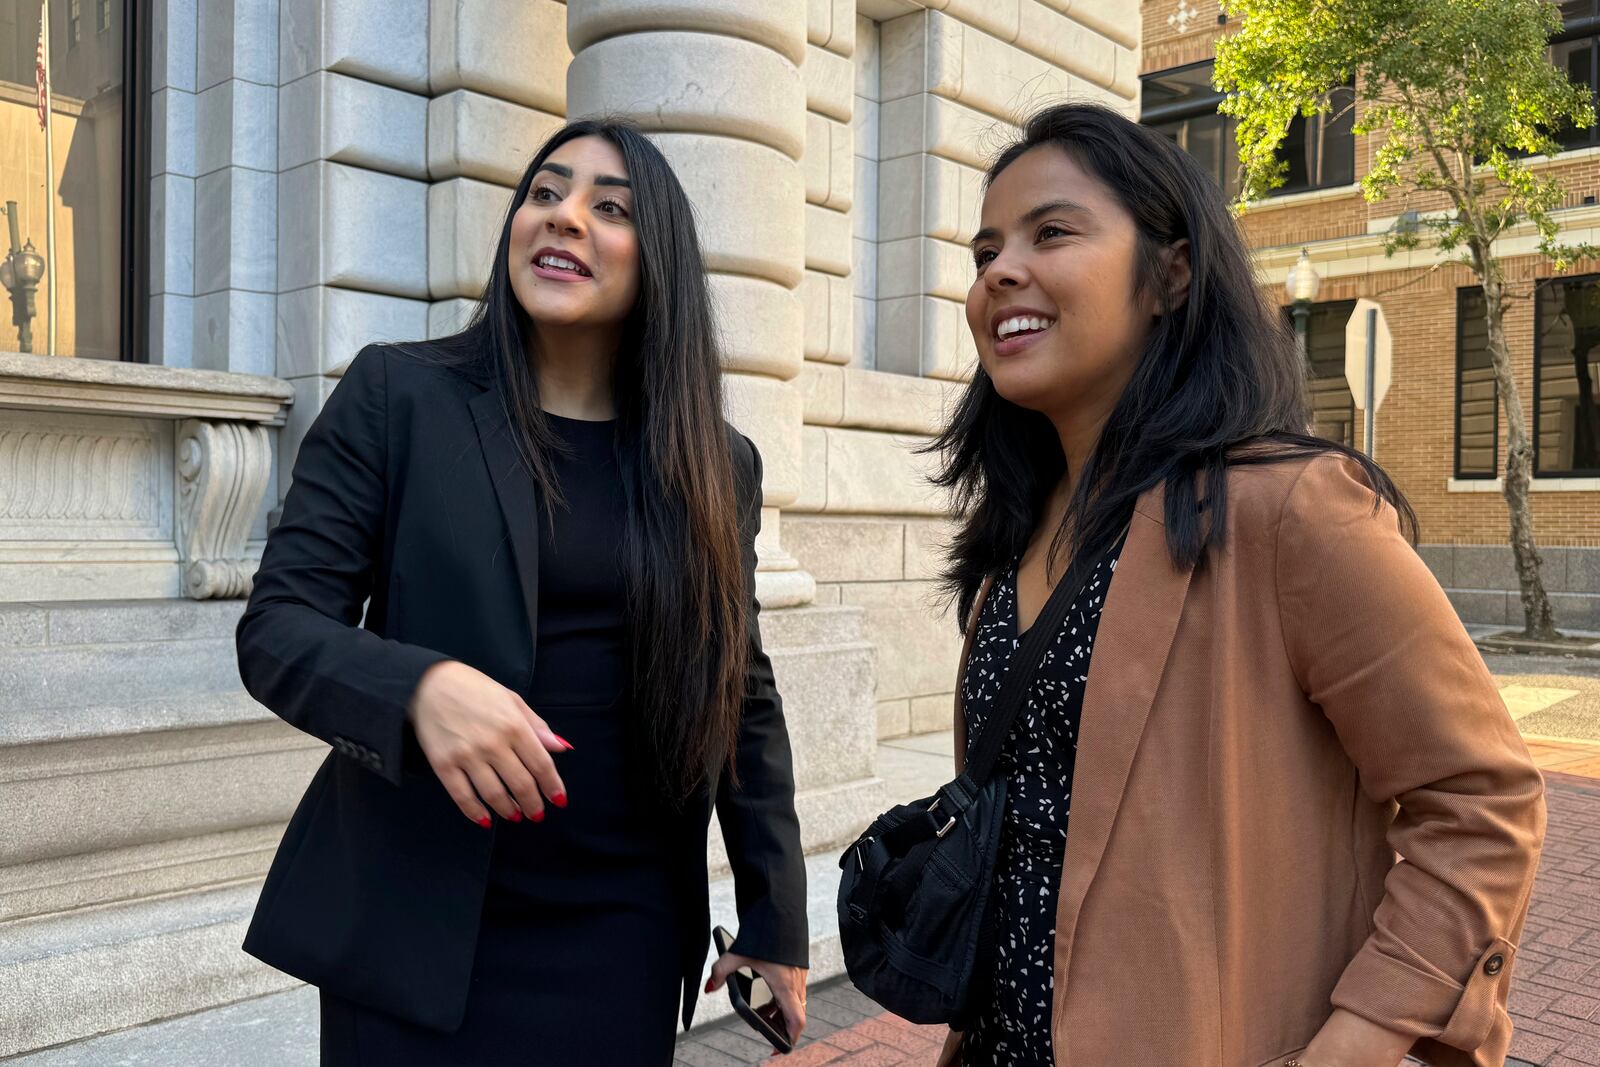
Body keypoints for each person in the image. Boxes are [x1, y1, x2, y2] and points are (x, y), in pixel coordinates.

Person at [926, 103, 1545, 1067]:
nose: (1000, 270)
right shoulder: (1015, 538)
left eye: (1051, 232)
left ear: (1170, 274)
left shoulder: (1290, 510)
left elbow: (1480, 799)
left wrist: (1361, 1037)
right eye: (984, 250)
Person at [236, 120, 808, 1065]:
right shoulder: (399, 396)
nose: (564, 217)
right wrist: (417, 690)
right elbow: (279, 629)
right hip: (419, 925)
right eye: (544, 193)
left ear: (655, 255)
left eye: (608, 206)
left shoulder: (717, 465)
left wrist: (775, 917)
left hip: (619, 930)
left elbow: (738, 692)